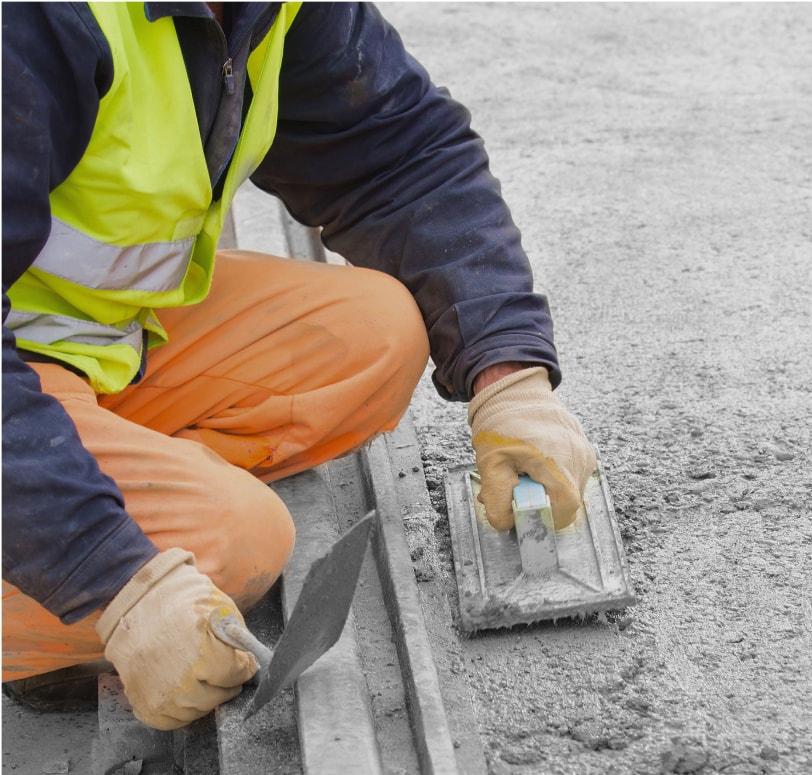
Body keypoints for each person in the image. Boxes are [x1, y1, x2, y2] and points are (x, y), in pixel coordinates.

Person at [2, 2, 596, 729]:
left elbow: (397, 157)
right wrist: (110, 572)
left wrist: (509, 377)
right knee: (230, 542)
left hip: (76, 343)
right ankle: (53, 578)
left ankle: (74, 525)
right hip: (25, 363)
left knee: (370, 337)